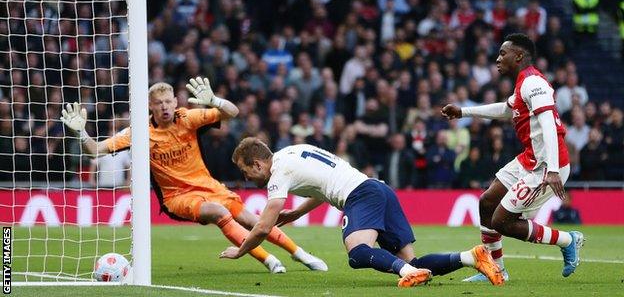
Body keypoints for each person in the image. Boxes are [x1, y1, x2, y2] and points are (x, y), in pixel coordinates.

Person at [60, 77, 327, 274]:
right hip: (177, 197)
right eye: (158, 103)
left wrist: (214, 101)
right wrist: (81, 132)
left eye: (168, 101)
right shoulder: (139, 132)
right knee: (218, 212)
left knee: (250, 218)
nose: (164, 107)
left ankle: (299, 254)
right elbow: (94, 150)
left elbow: (232, 113)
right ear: (149, 107)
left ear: (175, 102)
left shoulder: (187, 118)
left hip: (208, 186)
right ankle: (269, 260)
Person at [220, 138, 504, 288]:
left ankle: (409, 273)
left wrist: (241, 250)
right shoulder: (292, 153)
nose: (248, 179)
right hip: (378, 189)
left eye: (246, 172)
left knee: (357, 253)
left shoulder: (278, 174)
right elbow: (324, 186)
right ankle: (472, 257)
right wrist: (296, 214)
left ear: (257, 164)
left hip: (361, 195)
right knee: (413, 259)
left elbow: (262, 227)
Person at [442, 33, 584, 282]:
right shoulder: (523, 84)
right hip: (530, 159)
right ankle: (495, 270)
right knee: (487, 202)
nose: (497, 59)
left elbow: (549, 123)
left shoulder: (533, 83)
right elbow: (506, 110)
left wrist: (551, 169)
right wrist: (463, 111)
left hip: (546, 166)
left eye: (502, 53)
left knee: (502, 221)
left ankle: (568, 239)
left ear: (518, 56)